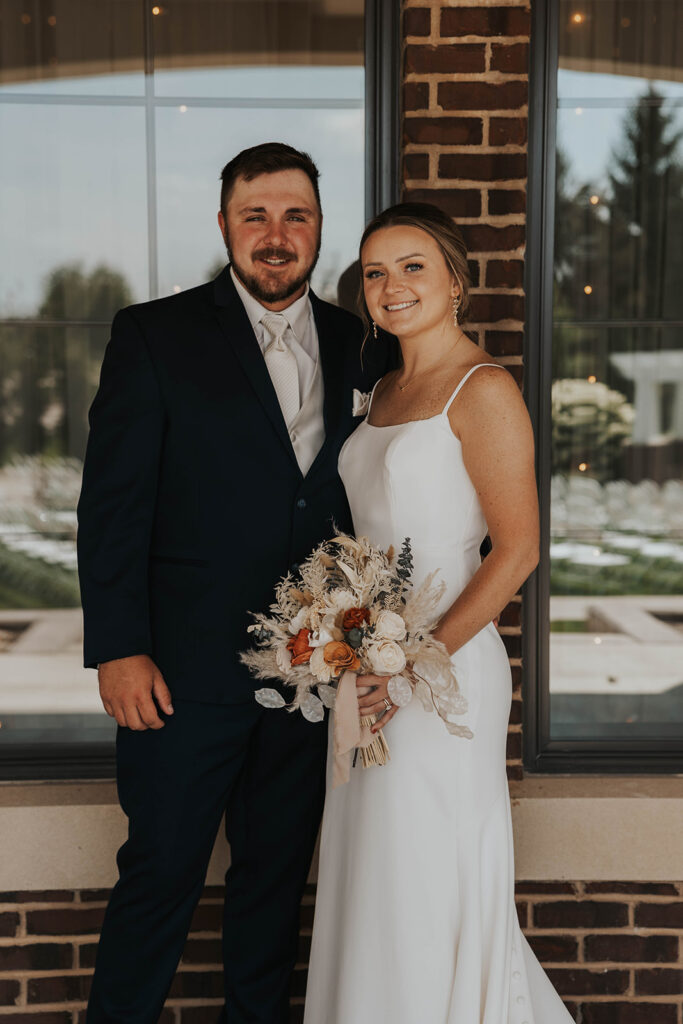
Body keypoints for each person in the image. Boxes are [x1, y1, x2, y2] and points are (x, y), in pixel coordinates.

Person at [77, 141, 393, 1024]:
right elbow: (112, 508)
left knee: (271, 893)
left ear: (319, 230)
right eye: (255, 214)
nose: (276, 234)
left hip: (307, 677)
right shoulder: (153, 335)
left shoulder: (362, 344)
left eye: (296, 215)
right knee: (160, 877)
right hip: (179, 678)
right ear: (223, 226)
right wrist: (120, 648)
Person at [303, 202, 575, 1023]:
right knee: (371, 865)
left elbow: (517, 549)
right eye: (375, 272)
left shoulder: (481, 388)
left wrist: (408, 661)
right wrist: (347, 644)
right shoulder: (380, 387)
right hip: (368, 665)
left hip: (442, 673)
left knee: (425, 865)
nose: (391, 286)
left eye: (412, 266)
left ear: (456, 280)